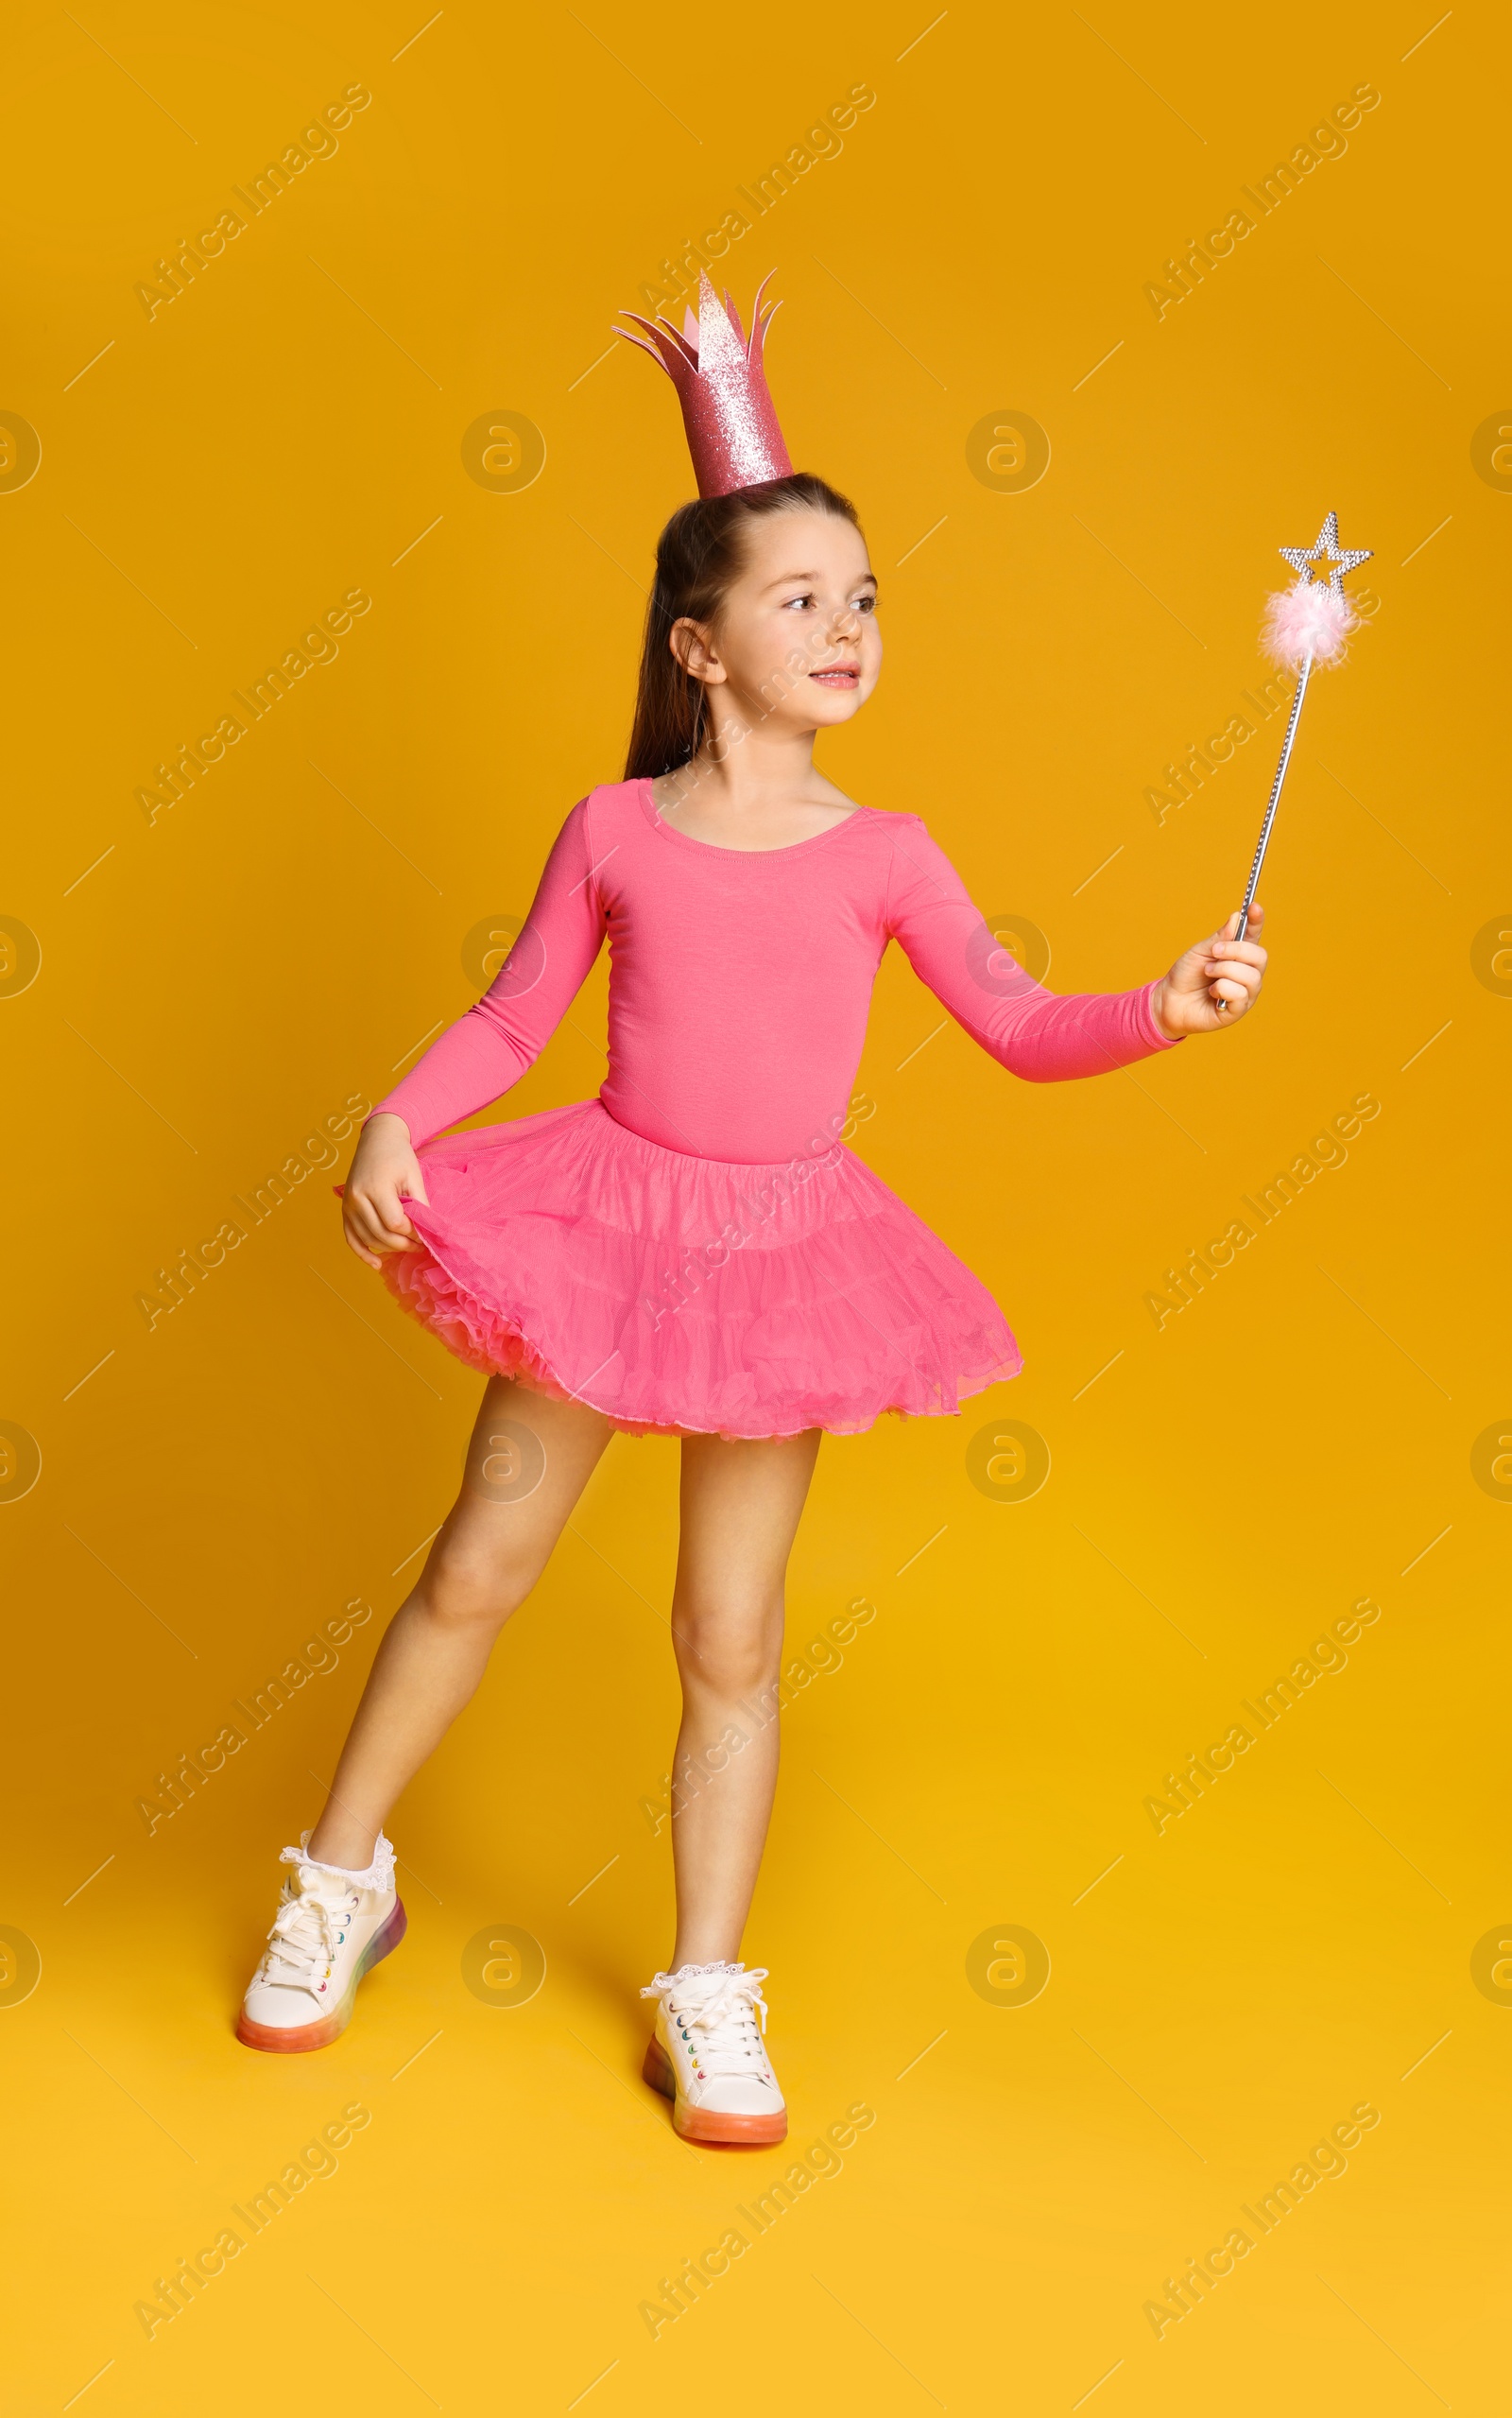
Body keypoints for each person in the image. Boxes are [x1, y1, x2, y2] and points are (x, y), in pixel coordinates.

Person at [237, 275, 1266, 2145]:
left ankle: (706, 1983)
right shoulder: (614, 826)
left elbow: (1025, 1030)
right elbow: (509, 1013)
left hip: (783, 1262)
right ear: (697, 647)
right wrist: (400, 1113)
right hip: (598, 1223)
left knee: (727, 1633)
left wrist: (1156, 1009)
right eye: (798, 598)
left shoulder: (883, 852)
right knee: (480, 1554)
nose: (846, 623)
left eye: (862, 593)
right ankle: (342, 1878)